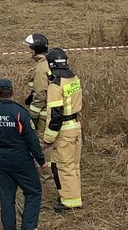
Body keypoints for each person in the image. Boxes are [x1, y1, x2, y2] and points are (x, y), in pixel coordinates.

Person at [0, 78, 45, 230]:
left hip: (2, 162)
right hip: (22, 161)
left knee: (6, 198)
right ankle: (28, 227)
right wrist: (41, 160)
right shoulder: (21, 113)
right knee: (33, 192)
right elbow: (32, 140)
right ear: (13, 93)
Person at [43, 47, 84, 212]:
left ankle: (69, 201)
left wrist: (48, 138)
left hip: (64, 132)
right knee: (74, 165)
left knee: (63, 166)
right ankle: (74, 195)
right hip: (76, 127)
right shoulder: (74, 79)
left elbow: (55, 116)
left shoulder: (55, 86)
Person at [23, 34, 51, 135]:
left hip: (43, 116)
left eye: (31, 48)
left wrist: (32, 115)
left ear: (37, 49)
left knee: (41, 142)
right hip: (50, 112)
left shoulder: (40, 68)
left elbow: (40, 93)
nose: (29, 51)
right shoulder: (48, 62)